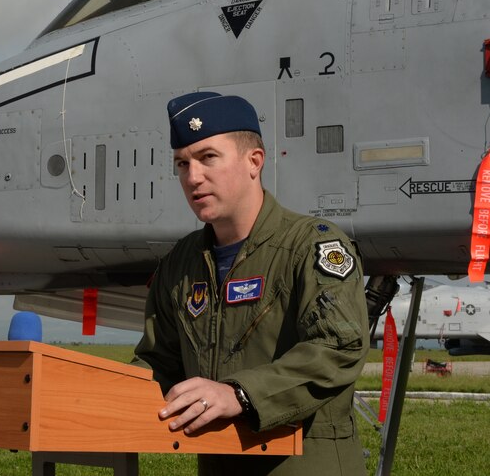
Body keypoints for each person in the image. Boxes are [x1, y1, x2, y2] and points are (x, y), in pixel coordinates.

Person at [133, 91, 369, 475]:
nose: (193, 177)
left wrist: (239, 394)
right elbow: (158, 361)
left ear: (253, 162)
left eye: (208, 157)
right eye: (181, 163)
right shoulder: (181, 263)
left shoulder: (313, 245)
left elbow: (338, 347)